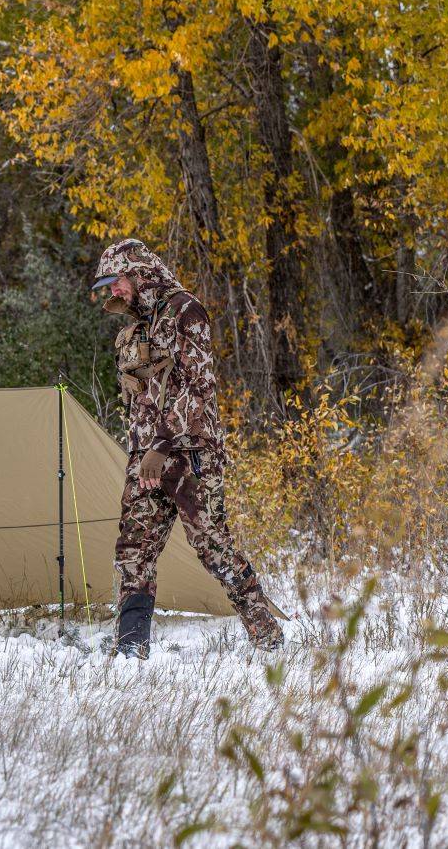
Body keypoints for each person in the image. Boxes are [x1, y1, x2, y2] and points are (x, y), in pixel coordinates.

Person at [90, 238, 284, 658]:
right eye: (108, 286)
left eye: (116, 282)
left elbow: (198, 389)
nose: (112, 292)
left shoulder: (185, 311)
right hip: (146, 457)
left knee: (212, 545)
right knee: (133, 548)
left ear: (138, 273)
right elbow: (141, 397)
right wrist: (143, 450)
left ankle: (266, 632)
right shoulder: (136, 327)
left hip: (189, 452)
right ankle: (130, 648)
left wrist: (162, 445)